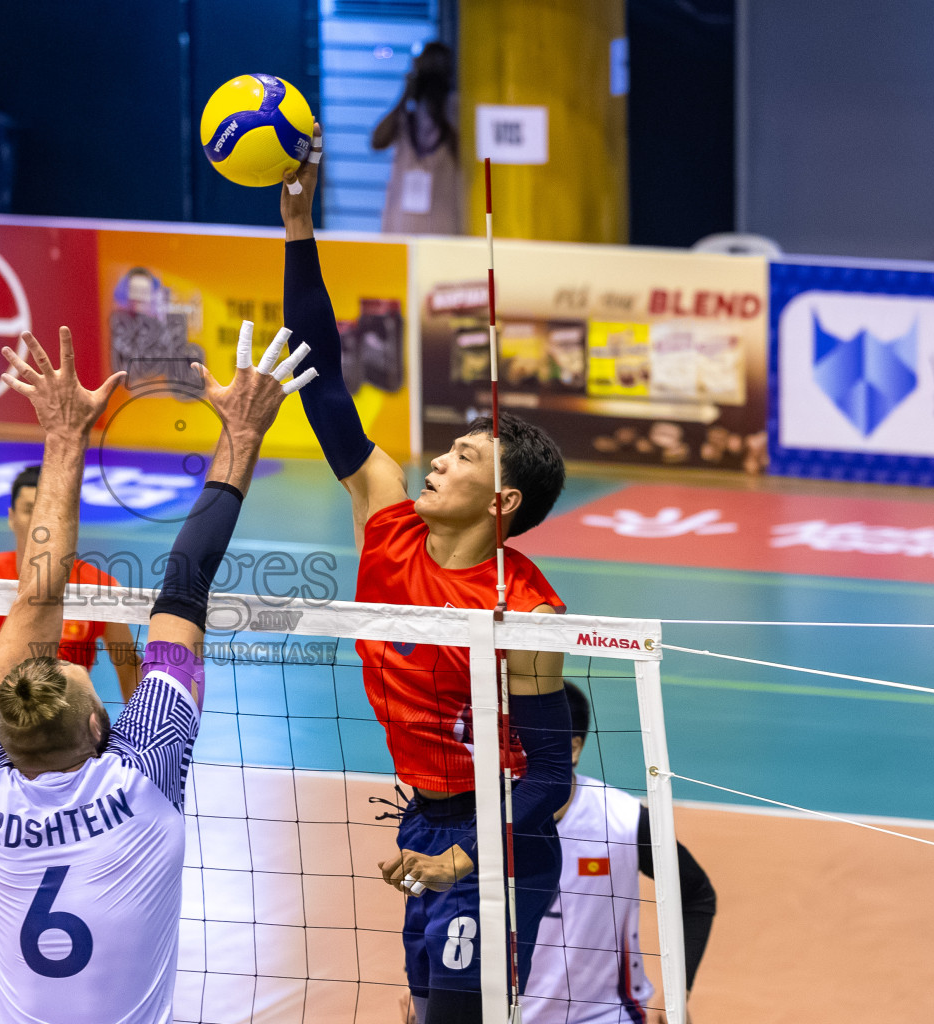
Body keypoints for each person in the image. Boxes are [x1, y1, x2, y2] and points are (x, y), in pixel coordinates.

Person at [281, 128, 573, 1023]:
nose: (439, 458)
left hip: (499, 835)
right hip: (421, 819)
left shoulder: (526, 609)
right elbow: (321, 378)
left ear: (504, 504)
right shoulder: (388, 518)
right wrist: (299, 228)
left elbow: (549, 777)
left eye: (466, 455)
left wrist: (468, 858)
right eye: (447, 448)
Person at [0, 322, 314, 1023]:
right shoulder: (140, 774)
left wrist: (63, 439)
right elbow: (180, 578)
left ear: (0, 733)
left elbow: (37, 598)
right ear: (98, 725)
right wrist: (240, 432)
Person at [0, 463, 141, 816]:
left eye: (48, 511)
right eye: (28, 509)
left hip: (74, 761)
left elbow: (130, 674)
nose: (39, 521)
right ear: (11, 517)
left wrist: (137, 749)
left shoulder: (101, 590)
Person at [518, 683, 717, 1024]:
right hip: (501, 1013)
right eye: (514, 741)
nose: (520, 754)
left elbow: (697, 894)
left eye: (531, 741)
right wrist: (421, 982)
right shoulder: (483, 821)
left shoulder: (624, 821)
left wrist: (676, 990)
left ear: (573, 747)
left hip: (606, 1015)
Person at [371, 41, 462, 236]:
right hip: (400, 224)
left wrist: (440, 110)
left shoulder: (455, 109)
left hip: (442, 223)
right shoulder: (406, 114)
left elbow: (464, 154)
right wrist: (405, 95)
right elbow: (377, 141)